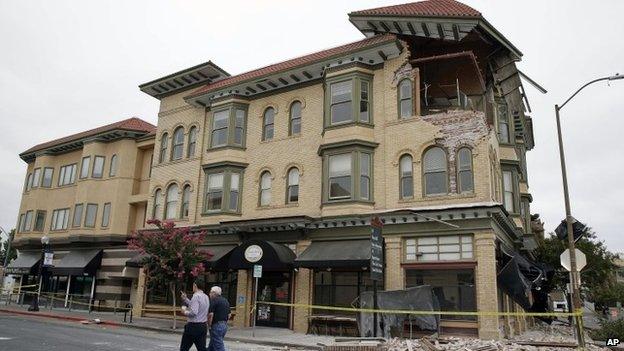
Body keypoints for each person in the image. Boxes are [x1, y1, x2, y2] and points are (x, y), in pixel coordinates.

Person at [180, 279, 210, 351]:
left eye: (193, 285)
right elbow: (195, 306)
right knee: (201, 348)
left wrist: (185, 312)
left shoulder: (196, 296)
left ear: (195, 286)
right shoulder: (206, 296)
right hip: (203, 326)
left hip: (193, 326)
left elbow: (194, 312)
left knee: (184, 348)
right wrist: (186, 299)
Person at [207, 286, 230, 351]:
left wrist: (209, 325)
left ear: (214, 293)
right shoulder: (225, 300)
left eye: (210, 292)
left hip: (216, 325)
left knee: (218, 346)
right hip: (224, 325)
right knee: (213, 344)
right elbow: (229, 315)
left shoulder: (213, 301)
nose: (209, 294)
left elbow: (210, 314)